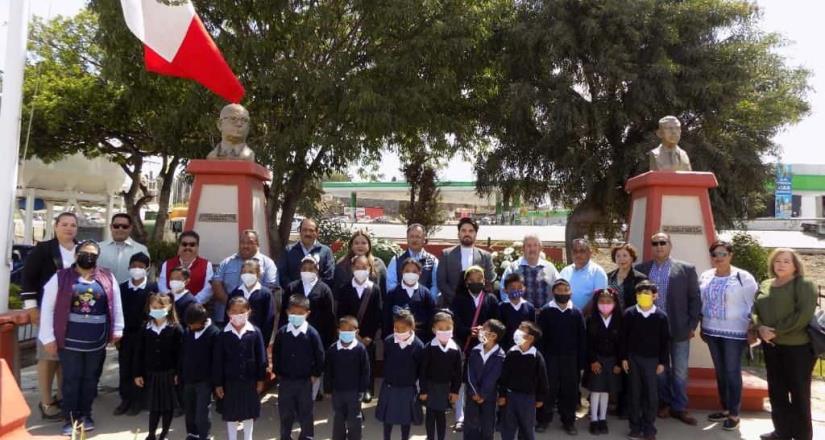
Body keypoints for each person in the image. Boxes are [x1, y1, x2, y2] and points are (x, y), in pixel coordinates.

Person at [38, 239, 124, 436]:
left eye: (93, 254)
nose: (89, 257)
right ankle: (70, 417)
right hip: (69, 340)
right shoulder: (60, 277)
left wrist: (118, 329)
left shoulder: (107, 277)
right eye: (85, 253)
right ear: (76, 255)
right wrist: (48, 337)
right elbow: (48, 308)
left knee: (90, 379)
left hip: (96, 340)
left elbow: (116, 304)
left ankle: (85, 414)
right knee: (71, 379)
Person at [635, 232, 700, 425]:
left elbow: (695, 299)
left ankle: (679, 407)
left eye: (663, 243)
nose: (659, 246)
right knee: (660, 371)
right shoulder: (642, 269)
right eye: (654, 243)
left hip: (679, 328)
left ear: (670, 245)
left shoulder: (686, 269)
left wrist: (692, 325)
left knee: (680, 371)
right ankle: (664, 402)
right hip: (653, 331)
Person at [753, 248, 817, 440]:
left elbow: (803, 315)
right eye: (777, 261)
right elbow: (754, 308)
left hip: (797, 348)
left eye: (786, 261)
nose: (780, 264)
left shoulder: (804, 284)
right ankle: (781, 432)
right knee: (777, 391)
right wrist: (760, 327)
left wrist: (775, 331)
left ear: (795, 265)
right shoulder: (765, 284)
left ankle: (802, 435)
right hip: (771, 346)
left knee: (798, 394)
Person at [21, 211, 78, 420]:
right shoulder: (44, 250)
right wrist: (32, 307)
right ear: (55, 226)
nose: (69, 228)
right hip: (49, 311)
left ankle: (63, 397)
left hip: (74, 313)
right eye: (64, 224)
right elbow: (28, 278)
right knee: (48, 356)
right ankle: (45, 402)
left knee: (66, 358)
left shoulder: (82, 250)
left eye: (73, 225)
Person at [698, 240, 758, 431]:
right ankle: (725, 408)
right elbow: (702, 302)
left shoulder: (743, 277)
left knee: (732, 371)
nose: (719, 258)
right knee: (720, 372)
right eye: (715, 254)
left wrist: (752, 328)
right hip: (711, 330)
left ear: (730, 255)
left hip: (735, 332)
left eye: (723, 254)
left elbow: (753, 305)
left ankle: (734, 413)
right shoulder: (706, 276)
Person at [536, 278, 586, 435]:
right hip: (550, 358)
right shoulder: (546, 311)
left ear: (570, 292)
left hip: (570, 359)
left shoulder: (576, 313)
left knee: (569, 390)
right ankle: (543, 420)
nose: (563, 293)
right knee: (548, 389)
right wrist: (540, 360)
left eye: (566, 290)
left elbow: (582, 338)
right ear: (553, 292)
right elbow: (540, 338)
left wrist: (581, 362)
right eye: (559, 290)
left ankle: (569, 421)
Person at [621, 280, 670, 440]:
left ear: (654, 296)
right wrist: (624, 358)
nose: (644, 296)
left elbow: (665, 341)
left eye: (647, 294)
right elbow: (623, 338)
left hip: (652, 361)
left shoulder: (661, 316)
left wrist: (662, 362)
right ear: (636, 296)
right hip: (633, 359)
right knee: (634, 393)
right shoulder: (629, 314)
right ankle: (634, 427)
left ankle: (649, 427)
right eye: (640, 294)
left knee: (651, 395)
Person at [273, 294, 326, 440]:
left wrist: (315, 374)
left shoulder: (312, 334)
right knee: (285, 412)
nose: (296, 316)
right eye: (293, 313)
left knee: (306, 412)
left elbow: (320, 355)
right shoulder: (282, 333)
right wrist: (278, 372)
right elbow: (276, 353)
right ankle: (285, 436)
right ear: (287, 313)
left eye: (300, 313)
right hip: (286, 381)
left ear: (307, 314)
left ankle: (307, 436)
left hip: (305, 381)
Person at [214, 296, 267, 440]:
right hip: (229, 381)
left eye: (242, 311)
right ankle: (232, 437)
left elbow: (261, 357)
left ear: (249, 312)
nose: (238, 314)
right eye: (234, 311)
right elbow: (218, 360)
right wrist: (218, 383)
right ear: (228, 313)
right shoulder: (223, 334)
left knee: (248, 412)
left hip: (250, 380)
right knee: (231, 412)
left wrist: (261, 379)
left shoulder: (255, 332)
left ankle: (247, 437)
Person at [133, 293, 184, 440]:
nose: (156, 310)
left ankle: (164, 433)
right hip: (151, 374)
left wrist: (178, 373)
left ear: (168, 308)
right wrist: (137, 373)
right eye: (153, 307)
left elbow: (181, 354)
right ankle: (151, 433)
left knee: (167, 406)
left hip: (168, 373)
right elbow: (139, 352)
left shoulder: (175, 328)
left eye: (160, 307)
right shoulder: (145, 328)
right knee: (154, 407)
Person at [335, 255, 382, 403]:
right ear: (351, 268)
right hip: (349, 335)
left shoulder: (374, 289)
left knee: (368, 364)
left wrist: (369, 336)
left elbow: (377, 314)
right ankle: (351, 391)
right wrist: (351, 334)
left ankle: (367, 389)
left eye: (364, 267)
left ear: (370, 269)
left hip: (368, 338)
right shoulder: (345, 289)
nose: (360, 270)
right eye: (357, 267)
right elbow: (341, 313)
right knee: (351, 365)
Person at [114, 252, 157, 416]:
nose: (136, 269)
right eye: (134, 266)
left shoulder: (152, 288)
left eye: (140, 267)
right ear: (129, 267)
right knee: (125, 366)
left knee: (141, 366)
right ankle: (125, 399)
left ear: (147, 269)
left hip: (144, 335)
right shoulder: (122, 287)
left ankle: (139, 400)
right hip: (125, 335)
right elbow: (117, 311)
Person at [211, 230, 278, 328]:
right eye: (242, 242)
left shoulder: (268, 264)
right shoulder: (227, 262)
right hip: (225, 319)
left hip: (256, 321)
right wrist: (234, 307)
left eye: (250, 242)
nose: (245, 245)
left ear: (257, 244)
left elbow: (271, 289)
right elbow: (216, 284)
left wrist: (244, 311)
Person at [376, 310, 425, 440]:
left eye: (403, 328)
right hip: (390, 386)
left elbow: (421, 370)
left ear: (411, 327)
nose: (398, 331)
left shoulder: (418, 346)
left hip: (408, 388)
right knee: (388, 419)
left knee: (405, 420)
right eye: (396, 328)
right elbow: (387, 359)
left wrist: (423, 390)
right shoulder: (388, 341)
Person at [497, 321, 549, 440]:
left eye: (522, 330)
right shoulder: (511, 353)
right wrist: (502, 394)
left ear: (530, 338)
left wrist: (540, 397)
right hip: (510, 396)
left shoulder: (536, 356)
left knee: (526, 427)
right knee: (508, 426)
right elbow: (504, 376)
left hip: (528, 398)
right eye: (519, 328)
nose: (518, 332)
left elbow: (543, 379)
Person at [324, 316, 371, 440]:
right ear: (338, 331)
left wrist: (362, 390)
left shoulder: (361, 349)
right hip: (337, 392)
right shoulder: (333, 349)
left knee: (354, 419)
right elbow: (328, 370)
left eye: (350, 330)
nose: (346, 332)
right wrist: (328, 389)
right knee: (338, 417)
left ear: (357, 332)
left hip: (354, 392)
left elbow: (365, 372)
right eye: (343, 329)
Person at [585, 288, 623, 435]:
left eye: (609, 301)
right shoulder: (591, 320)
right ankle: (594, 419)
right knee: (596, 390)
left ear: (615, 303)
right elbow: (588, 343)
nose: (605, 304)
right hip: (597, 360)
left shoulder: (620, 320)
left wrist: (619, 363)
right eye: (602, 301)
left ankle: (602, 419)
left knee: (606, 390)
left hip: (612, 360)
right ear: (596, 303)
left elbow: (622, 344)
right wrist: (593, 360)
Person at [420, 312, 462, 440]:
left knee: (441, 415)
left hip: (445, 388)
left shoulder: (455, 349)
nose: (444, 331)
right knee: (430, 415)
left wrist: (455, 391)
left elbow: (458, 373)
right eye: (440, 328)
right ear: (433, 329)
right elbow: (423, 371)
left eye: (448, 328)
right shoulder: (428, 348)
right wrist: (423, 390)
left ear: (453, 328)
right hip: (431, 386)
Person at [280, 255, 337, 350]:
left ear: (317, 270)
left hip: (317, 337)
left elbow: (329, 318)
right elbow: (283, 314)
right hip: (293, 335)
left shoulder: (325, 290)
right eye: (304, 269)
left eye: (311, 269)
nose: (307, 272)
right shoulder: (292, 287)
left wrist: (327, 342)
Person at [181, 303, 220, 440]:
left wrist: (216, 382)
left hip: (205, 380)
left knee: (202, 412)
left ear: (202, 321)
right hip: (189, 378)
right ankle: (192, 433)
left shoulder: (214, 333)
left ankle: (204, 435)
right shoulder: (188, 332)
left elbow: (216, 360)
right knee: (190, 409)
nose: (191, 327)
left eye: (193, 324)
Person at [436, 217, 496, 307]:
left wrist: (476, 299)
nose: (467, 234)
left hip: (478, 305)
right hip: (451, 304)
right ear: (458, 234)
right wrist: (456, 299)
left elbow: (490, 280)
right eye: (463, 231)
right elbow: (441, 282)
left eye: (471, 231)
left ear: (475, 234)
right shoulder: (446, 255)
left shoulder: (485, 256)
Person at [463, 319, 506, 440]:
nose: (480, 330)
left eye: (484, 329)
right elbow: (469, 373)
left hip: (489, 397)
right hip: (472, 395)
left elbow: (492, 378)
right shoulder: (475, 350)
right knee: (471, 424)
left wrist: (482, 394)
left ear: (493, 336)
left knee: (487, 425)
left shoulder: (500, 355)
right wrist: (475, 392)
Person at [384, 259, 437, 341]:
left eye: (414, 271)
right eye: (407, 271)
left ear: (420, 273)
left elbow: (432, 317)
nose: (410, 274)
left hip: (421, 339)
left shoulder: (425, 293)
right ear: (402, 272)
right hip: (397, 339)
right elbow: (386, 318)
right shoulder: (393, 293)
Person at [226, 259, 275, 347]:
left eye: (251, 272)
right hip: (236, 338)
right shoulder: (235, 293)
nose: (247, 274)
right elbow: (227, 317)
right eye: (244, 272)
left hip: (257, 339)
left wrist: (263, 342)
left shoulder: (265, 294)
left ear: (258, 274)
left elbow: (269, 320)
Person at [158, 231, 214, 309]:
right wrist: (172, 301)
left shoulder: (207, 265)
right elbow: (162, 285)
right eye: (184, 244)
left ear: (197, 247)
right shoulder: (167, 264)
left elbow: (208, 289)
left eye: (192, 244)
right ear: (179, 246)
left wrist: (192, 303)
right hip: (171, 308)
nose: (188, 247)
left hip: (195, 310)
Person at [499, 234, 558, 305]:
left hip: (546, 314)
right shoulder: (513, 268)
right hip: (521, 315)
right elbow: (503, 291)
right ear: (523, 248)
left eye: (535, 245)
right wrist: (514, 310)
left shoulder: (550, 268)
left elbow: (560, 289)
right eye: (529, 246)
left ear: (540, 248)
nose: (532, 249)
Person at [386, 223, 440, 301]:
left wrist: (428, 302)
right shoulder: (396, 260)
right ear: (407, 238)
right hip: (401, 307)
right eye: (411, 236)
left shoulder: (433, 261)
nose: (414, 240)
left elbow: (435, 286)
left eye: (418, 237)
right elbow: (391, 284)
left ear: (424, 239)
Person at [278, 217, 335, 286]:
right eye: (304, 230)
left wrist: (315, 290)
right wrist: (295, 289)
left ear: (317, 232)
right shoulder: (289, 250)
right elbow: (282, 275)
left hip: (317, 295)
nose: (307, 233)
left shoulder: (325, 251)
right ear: (300, 231)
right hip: (294, 294)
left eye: (311, 230)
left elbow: (329, 276)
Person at [97, 213, 150, 283]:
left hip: (130, 292)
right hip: (103, 292)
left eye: (124, 226)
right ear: (111, 227)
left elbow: (145, 274)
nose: (120, 229)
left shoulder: (141, 250)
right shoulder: (98, 248)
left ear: (130, 228)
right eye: (116, 226)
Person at [333, 230, 388, 296]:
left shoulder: (378, 264)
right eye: (356, 243)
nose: (360, 246)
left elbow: (384, 291)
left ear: (369, 245)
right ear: (351, 246)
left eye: (364, 243)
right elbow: (335, 292)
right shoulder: (342, 265)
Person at [559, 238, 608, 309]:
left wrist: (580, 315)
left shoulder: (598, 272)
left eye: (582, 251)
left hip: (589, 318)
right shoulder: (565, 271)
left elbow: (598, 298)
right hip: (566, 317)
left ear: (589, 253)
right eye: (575, 251)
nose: (578, 254)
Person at [498, 273, 536, 349]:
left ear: (524, 288)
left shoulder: (530, 307)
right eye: (512, 288)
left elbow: (532, 330)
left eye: (519, 287)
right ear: (505, 290)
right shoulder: (501, 307)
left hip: (525, 348)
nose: (516, 290)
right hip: (506, 348)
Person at [606, 243, 648, 309]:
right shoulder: (608, 277)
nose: (621, 259)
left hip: (630, 317)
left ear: (631, 258)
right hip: (612, 317)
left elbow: (644, 303)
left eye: (625, 255)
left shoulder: (640, 279)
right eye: (618, 256)